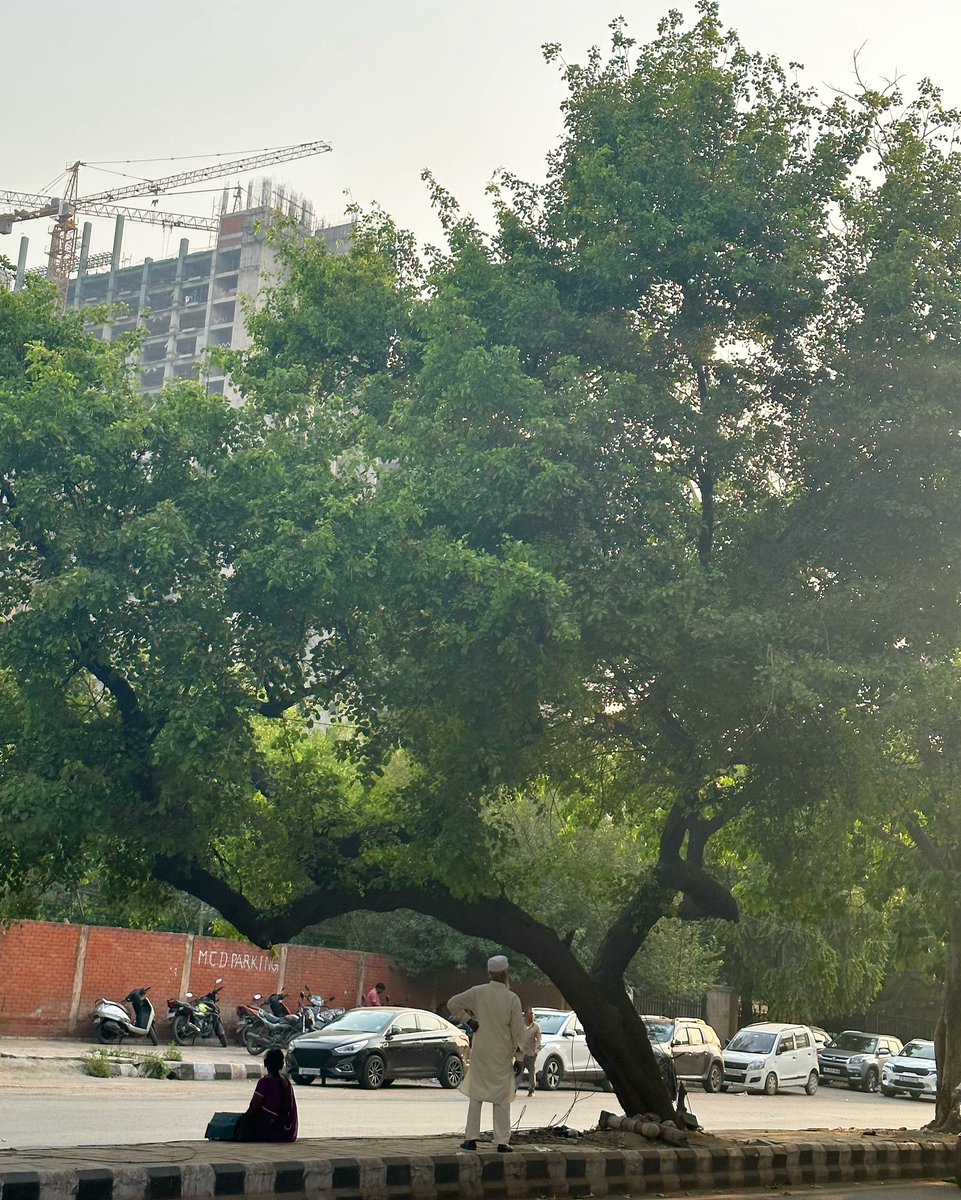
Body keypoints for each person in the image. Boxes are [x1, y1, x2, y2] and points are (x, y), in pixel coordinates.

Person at [448, 954, 526, 1154]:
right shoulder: (512, 998)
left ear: (489, 973)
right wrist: (519, 1057)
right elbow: (518, 1031)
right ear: (506, 973)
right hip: (502, 1052)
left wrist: (469, 1020)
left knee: (477, 1094)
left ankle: (470, 1139)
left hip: (481, 1050)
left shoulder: (478, 992)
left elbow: (452, 1003)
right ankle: (502, 1141)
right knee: (501, 1097)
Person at [240, 1048, 298, 1142]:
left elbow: (253, 1107)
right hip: (287, 1131)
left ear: (266, 1064)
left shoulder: (265, 1082)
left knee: (244, 1121)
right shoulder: (286, 1082)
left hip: (271, 1131)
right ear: (281, 1065)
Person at [519, 1007, 542, 1096]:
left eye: (533, 1014)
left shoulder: (536, 1027)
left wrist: (536, 1051)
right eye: (530, 1014)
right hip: (520, 1052)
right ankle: (513, 1089)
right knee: (518, 1071)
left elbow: (539, 1039)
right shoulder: (520, 1025)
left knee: (531, 1071)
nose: (532, 1015)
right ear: (525, 1015)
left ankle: (531, 1090)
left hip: (531, 1053)